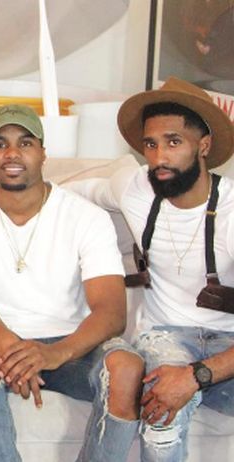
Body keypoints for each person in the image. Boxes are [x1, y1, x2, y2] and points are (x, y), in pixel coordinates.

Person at [0, 104, 144, 462]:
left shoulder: (86, 216)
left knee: (126, 368)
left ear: (43, 153)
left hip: (70, 345)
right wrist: (13, 349)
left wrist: (52, 353)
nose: (12, 153)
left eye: (26, 142)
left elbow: (112, 313)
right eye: (0, 144)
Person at [66, 77, 234, 461]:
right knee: (162, 411)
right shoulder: (134, 187)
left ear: (203, 146)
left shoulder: (231, 211)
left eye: (174, 142)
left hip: (229, 345)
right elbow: (68, 193)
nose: (159, 158)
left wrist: (196, 376)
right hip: (165, 337)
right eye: (150, 144)